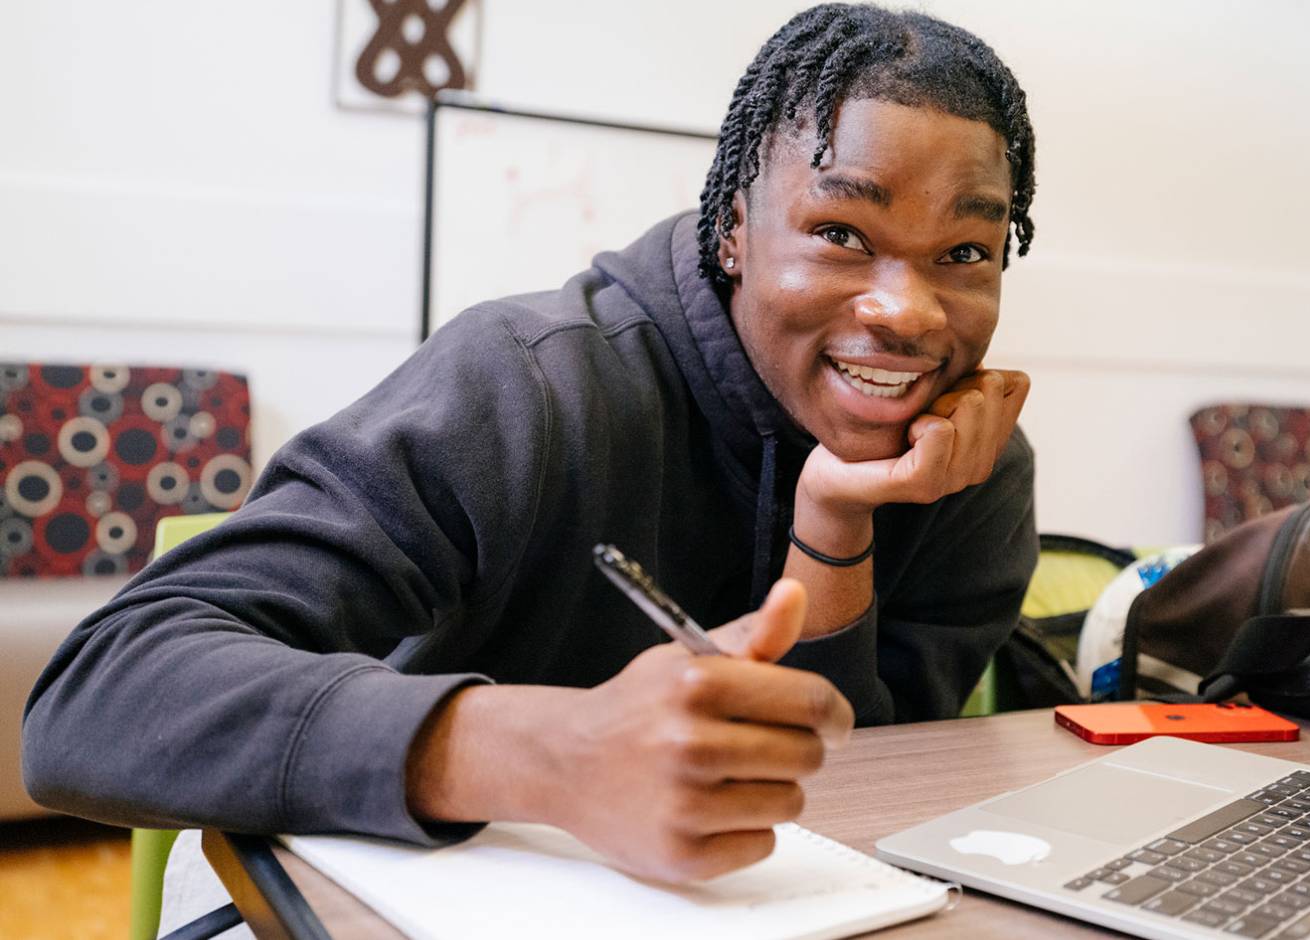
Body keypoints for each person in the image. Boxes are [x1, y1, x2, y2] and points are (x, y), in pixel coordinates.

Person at [23, 2, 1040, 885]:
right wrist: (551, 752)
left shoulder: (970, 464)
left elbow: (848, 801)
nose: (907, 312)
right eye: (840, 233)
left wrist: (835, 520)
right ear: (732, 228)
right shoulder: (527, 381)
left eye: (964, 252)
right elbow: (99, 695)